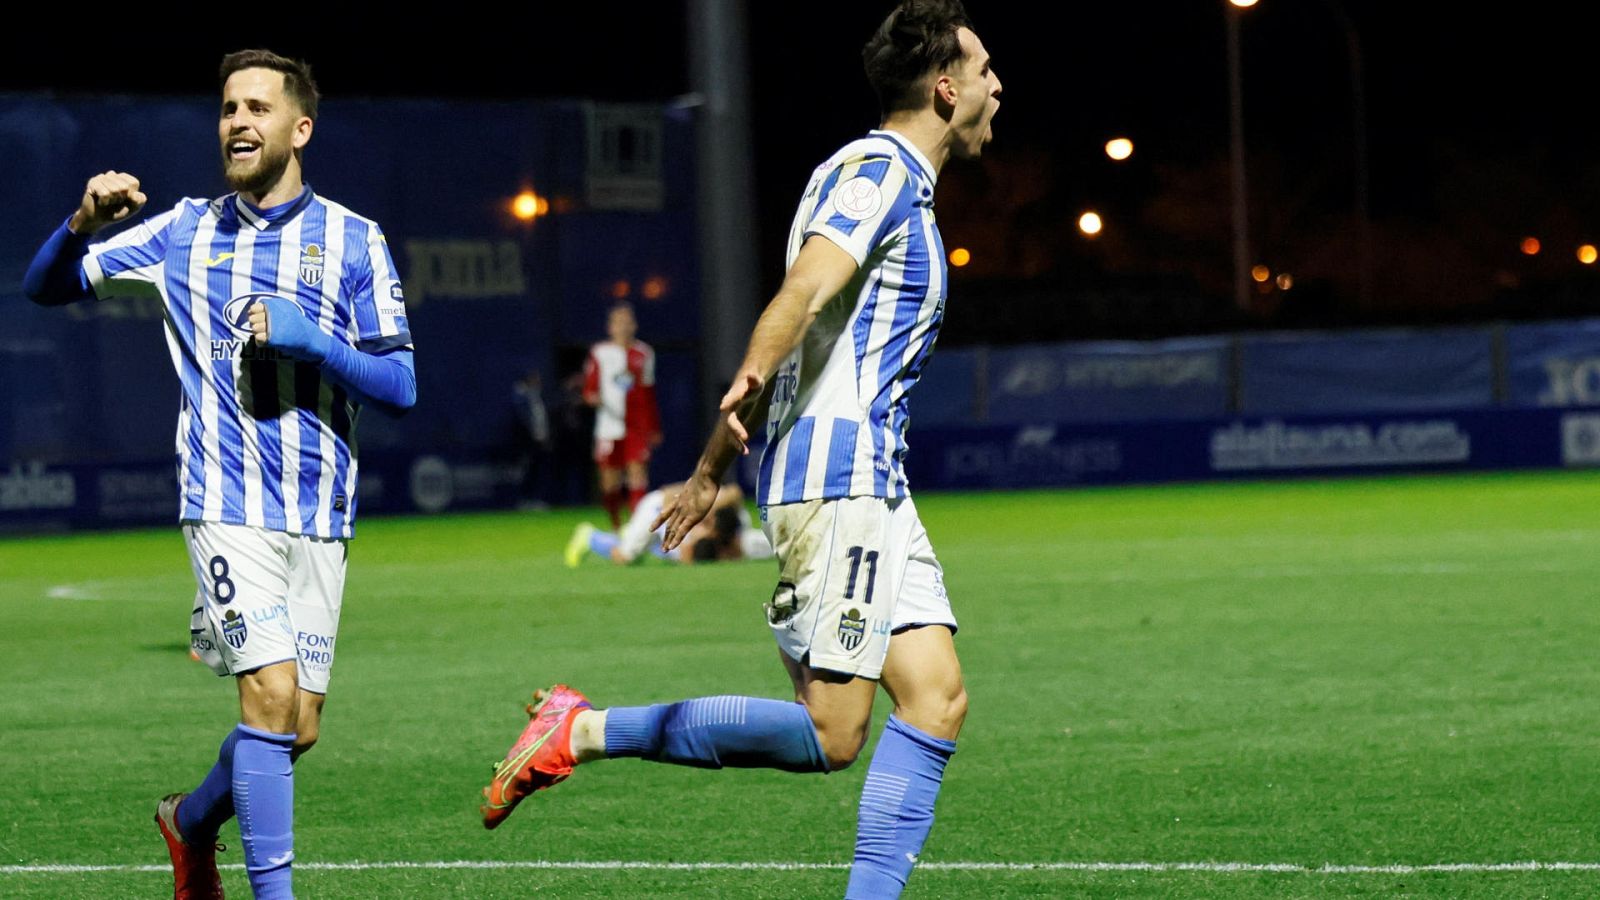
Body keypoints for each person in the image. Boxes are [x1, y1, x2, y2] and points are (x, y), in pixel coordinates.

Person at [480, 4, 1000, 897]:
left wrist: (713, 466)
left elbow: (807, 326)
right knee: (832, 733)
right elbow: (801, 292)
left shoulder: (878, 177)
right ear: (946, 88)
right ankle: (581, 731)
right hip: (840, 483)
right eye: (986, 69)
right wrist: (746, 381)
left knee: (937, 697)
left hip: (874, 480)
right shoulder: (877, 173)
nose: (998, 85)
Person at [22, 49, 416, 900]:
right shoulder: (184, 231)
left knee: (295, 728)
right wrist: (81, 220)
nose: (238, 121)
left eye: (258, 108)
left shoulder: (354, 239)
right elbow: (43, 287)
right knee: (269, 699)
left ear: (298, 127)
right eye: (229, 107)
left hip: (321, 511)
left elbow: (402, 384)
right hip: (224, 502)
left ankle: (188, 822)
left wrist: (313, 340)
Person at [581, 302, 661, 528]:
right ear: (611, 327)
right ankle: (616, 525)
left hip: (636, 426)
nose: (624, 327)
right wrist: (592, 398)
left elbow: (648, 391)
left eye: (628, 322)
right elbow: (589, 390)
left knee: (637, 476)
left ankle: (636, 527)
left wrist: (653, 427)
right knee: (610, 483)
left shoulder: (644, 353)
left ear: (634, 325)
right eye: (619, 323)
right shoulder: (600, 353)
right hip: (609, 427)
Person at [563, 482, 772, 567]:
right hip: (657, 510)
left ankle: (642, 539)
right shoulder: (711, 505)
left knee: (674, 548)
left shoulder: (739, 526)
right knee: (626, 558)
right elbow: (732, 491)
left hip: (677, 529)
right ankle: (590, 536)